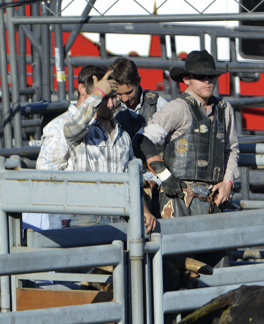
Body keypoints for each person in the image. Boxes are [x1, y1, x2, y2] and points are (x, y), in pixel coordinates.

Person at [138, 50, 238, 220]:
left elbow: (231, 150)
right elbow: (142, 139)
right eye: (201, 77)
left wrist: (228, 182)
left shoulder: (224, 108)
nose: (207, 81)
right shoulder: (178, 107)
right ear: (187, 79)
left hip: (213, 198)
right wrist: (164, 176)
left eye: (211, 76)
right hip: (178, 197)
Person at [63, 69, 156, 234]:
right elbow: (72, 128)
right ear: (94, 98)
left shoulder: (124, 137)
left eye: (113, 97)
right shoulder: (83, 133)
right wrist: (98, 92)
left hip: (120, 217)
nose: (111, 104)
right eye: (105, 98)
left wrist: (145, 211)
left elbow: (133, 180)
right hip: (89, 218)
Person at [30, 65, 103, 230]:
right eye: (97, 90)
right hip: (69, 215)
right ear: (82, 89)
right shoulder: (60, 126)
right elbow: (46, 174)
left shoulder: (104, 126)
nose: (101, 96)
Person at [109, 57, 168, 139]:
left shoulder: (159, 106)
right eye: (119, 94)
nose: (125, 98)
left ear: (138, 81)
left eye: (129, 92)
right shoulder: (109, 108)